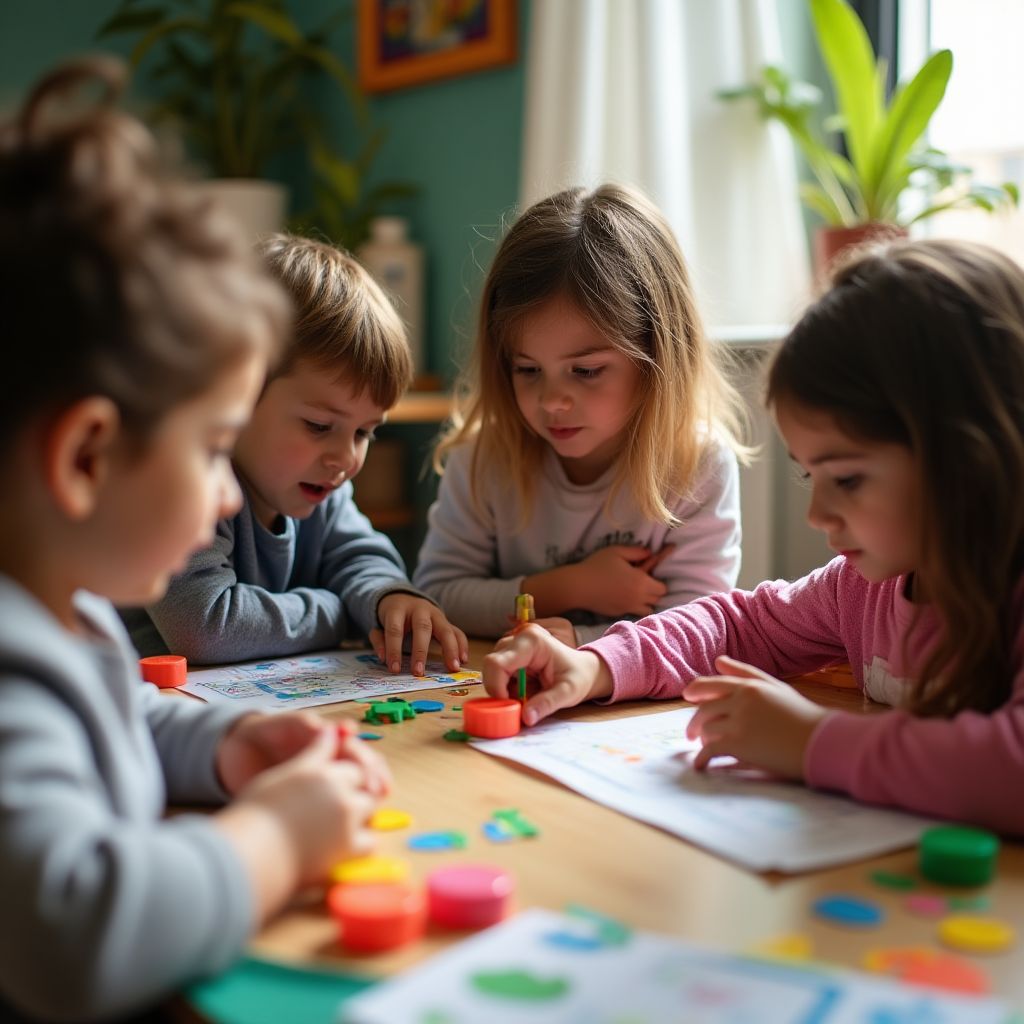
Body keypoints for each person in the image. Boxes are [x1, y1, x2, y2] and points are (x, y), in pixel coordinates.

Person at [0, 58, 388, 1020]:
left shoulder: (63, 614)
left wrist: (230, 745)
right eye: (213, 449)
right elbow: (76, 939)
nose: (224, 497)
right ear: (87, 457)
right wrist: (275, 840)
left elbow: (118, 719)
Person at [483, 238, 1024, 835]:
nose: (818, 513)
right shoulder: (861, 589)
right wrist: (594, 667)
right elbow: (738, 624)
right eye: (809, 474)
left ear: (970, 459)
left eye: (847, 477)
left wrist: (812, 741)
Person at [413, 184, 749, 647]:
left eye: (586, 371)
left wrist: (579, 642)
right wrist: (567, 588)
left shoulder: (697, 464)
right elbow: (437, 595)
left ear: (658, 355)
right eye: (527, 369)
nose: (552, 401)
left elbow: (698, 628)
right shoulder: (482, 459)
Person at [125, 234, 468, 676]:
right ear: (238, 395)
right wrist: (338, 611)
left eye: (364, 432)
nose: (345, 458)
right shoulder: (190, 484)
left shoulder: (323, 486)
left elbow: (361, 557)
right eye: (319, 426)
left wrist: (389, 598)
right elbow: (205, 628)